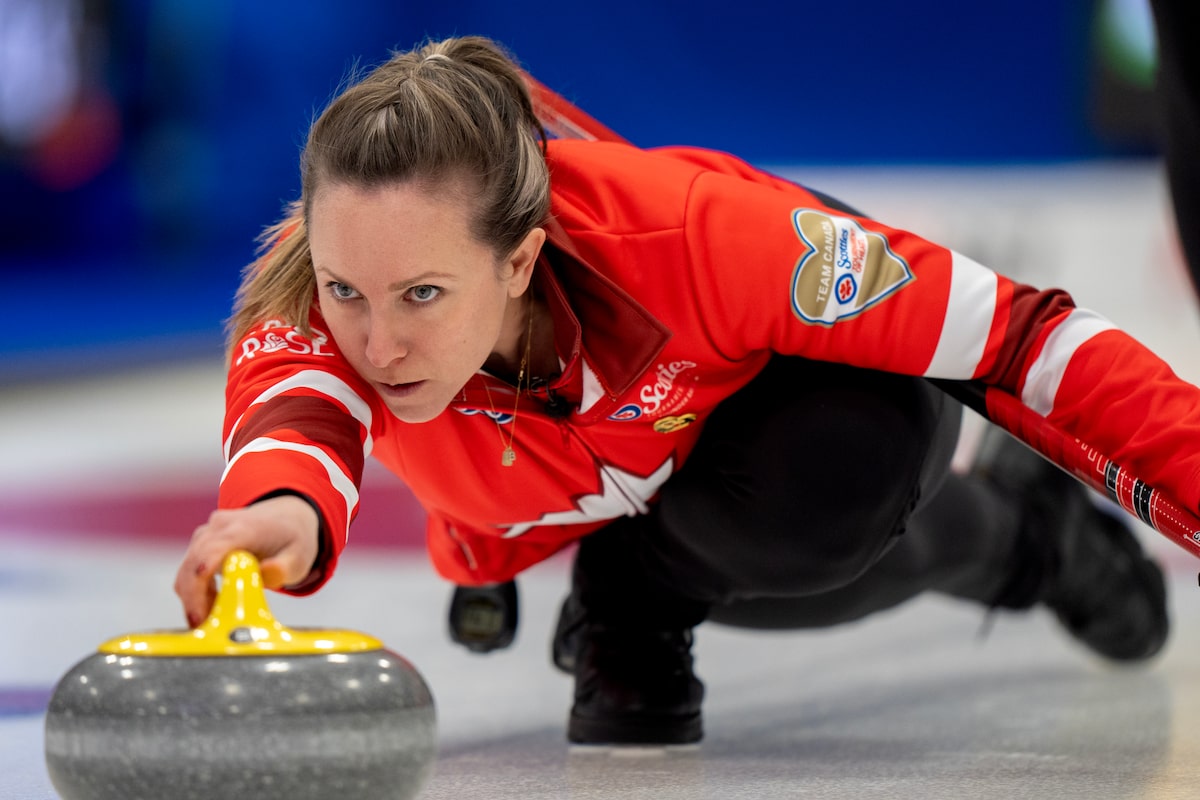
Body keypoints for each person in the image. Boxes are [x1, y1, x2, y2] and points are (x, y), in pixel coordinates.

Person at [174, 35, 1188, 747]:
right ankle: (633, 592)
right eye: (347, 287)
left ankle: (1030, 539)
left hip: (774, 401)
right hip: (596, 485)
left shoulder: (698, 238)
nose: (376, 340)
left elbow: (1019, 337)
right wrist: (279, 515)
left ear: (521, 260)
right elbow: (294, 415)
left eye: (423, 294)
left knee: (837, 481)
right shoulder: (314, 294)